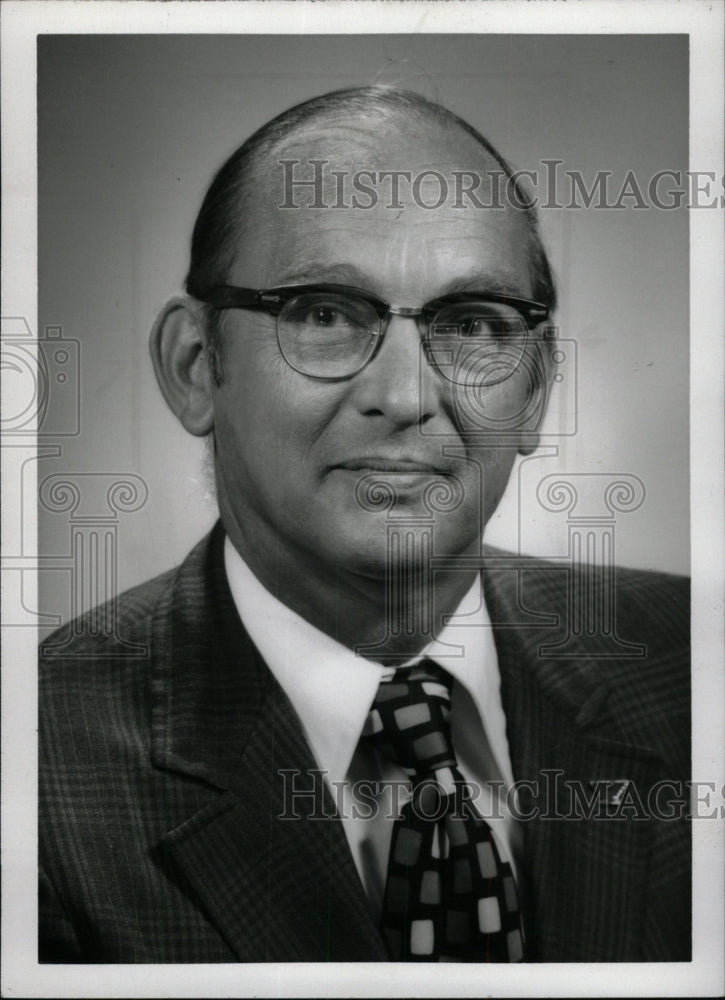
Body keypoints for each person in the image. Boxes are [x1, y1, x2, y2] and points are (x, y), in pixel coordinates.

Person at [39, 86, 690, 963]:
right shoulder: (35, 768)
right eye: (324, 314)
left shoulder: (694, 665)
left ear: (535, 392)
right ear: (196, 367)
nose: (406, 396)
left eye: (471, 323)